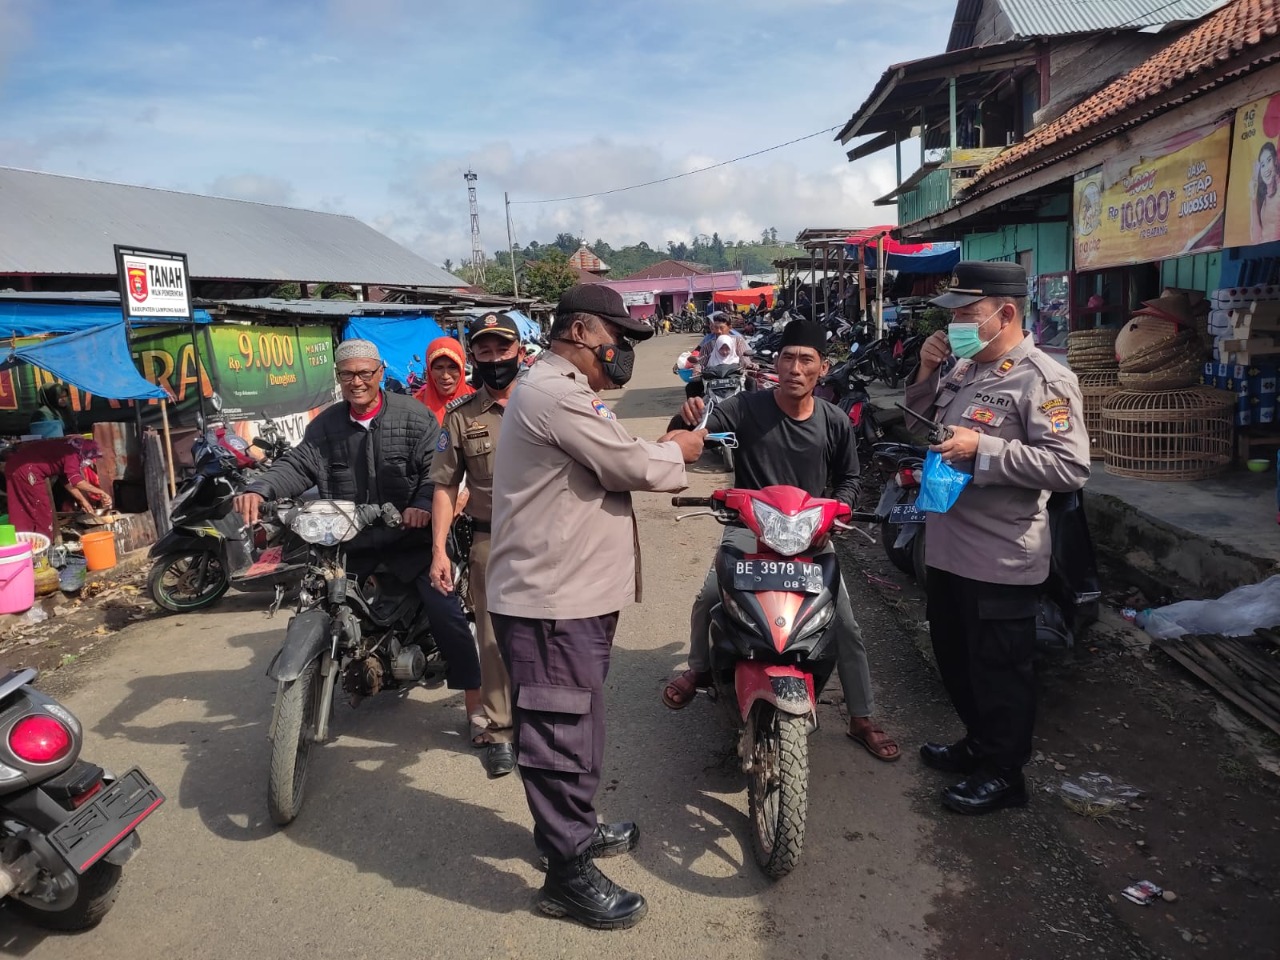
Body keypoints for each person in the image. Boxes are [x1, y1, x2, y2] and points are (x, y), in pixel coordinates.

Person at [486, 284, 704, 930]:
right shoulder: (553, 392)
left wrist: (658, 448)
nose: (624, 353)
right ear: (581, 331)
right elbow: (626, 465)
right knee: (559, 735)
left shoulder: (567, 392)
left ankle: (572, 828)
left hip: (570, 596)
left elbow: (611, 465)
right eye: (619, 340)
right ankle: (567, 871)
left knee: (577, 726)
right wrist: (679, 451)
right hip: (551, 601)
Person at [661, 319, 898, 761]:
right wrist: (685, 418)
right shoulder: (745, 408)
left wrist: (836, 511)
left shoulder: (834, 421)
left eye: (806, 359)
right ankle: (698, 669)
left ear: (822, 369)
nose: (795, 367)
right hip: (749, 529)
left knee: (844, 623)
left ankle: (861, 716)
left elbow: (849, 476)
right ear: (777, 363)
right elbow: (697, 432)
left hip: (810, 535)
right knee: (709, 597)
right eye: (787, 357)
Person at [904, 261, 1089, 815]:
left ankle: (1006, 774)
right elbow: (920, 429)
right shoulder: (963, 370)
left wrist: (981, 450)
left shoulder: (1043, 379)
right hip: (948, 547)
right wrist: (924, 370)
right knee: (956, 660)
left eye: (966, 312)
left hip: (1002, 556)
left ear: (1005, 313)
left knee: (1001, 671)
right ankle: (979, 745)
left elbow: (1070, 467)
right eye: (954, 313)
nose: (954, 323)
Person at [234, 340, 483, 722]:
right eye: (348, 374)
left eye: (365, 373)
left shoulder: (413, 416)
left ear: (380, 373)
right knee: (317, 600)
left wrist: (419, 506)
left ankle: (476, 702)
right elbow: (299, 465)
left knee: (445, 612)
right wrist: (260, 487)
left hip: (409, 543)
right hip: (351, 546)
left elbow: (438, 473)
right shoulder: (326, 426)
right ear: (338, 378)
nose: (357, 382)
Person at [428, 313, 525, 779]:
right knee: (491, 638)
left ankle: (548, 721)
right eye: (483, 352)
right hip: (490, 540)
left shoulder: (544, 406)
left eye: (501, 350)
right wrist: (439, 549)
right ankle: (501, 730)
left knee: (553, 633)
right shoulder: (461, 418)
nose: (493, 359)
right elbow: (445, 486)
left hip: (550, 541)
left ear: (520, 353)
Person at [4, 437, 110, 538]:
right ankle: (44, 546)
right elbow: (76, 481)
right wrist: (101, 492)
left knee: (21, 508)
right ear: (86, 453)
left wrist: (83, 501)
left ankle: (23, 544)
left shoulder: (71, 448)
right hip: (25, 469)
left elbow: (66, 480)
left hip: (15, 465)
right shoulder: (73, 454)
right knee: (41, 510)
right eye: (91, 459)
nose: (90, 462)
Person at [414, 335, 475, 425]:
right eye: (439, 368)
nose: (445, 376)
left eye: (452, 367)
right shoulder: (415, 405)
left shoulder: (476, 401)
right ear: (429, 370)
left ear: (461, 368)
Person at [1250, 141, 1280, 244]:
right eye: (1262, 165)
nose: (1266, 169)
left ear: (1276, 161)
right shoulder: (1264, 198)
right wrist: (1253, 199)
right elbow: (1255, 238)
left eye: (1269, 160)